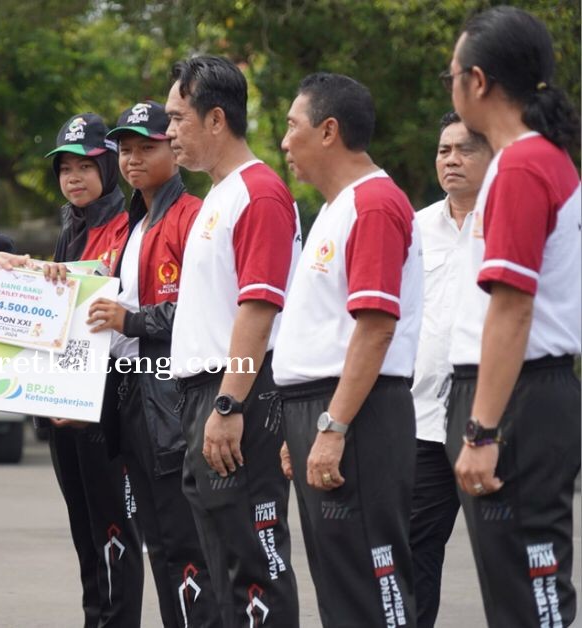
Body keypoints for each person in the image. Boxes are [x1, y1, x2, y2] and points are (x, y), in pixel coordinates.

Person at [445, 7, 581, 626]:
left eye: (452, 74)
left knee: (530, 594)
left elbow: (512, 308)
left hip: (518, 399)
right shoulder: (539, 159)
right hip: (526, 394)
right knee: (521, 592)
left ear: (478, 82)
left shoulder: (523, 166)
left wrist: (481, 433)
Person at [274, 72, 423, 626]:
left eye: (293, 126)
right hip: (324, 409)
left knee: (369, 582)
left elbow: (376, 328)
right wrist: (302, 425)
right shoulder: (338, 206)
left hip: (357, 414)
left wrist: (332, 427)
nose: (286, 141)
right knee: (340, 584)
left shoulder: (375, 204)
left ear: (329, 130)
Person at [165, 55, 301, 628]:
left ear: (215, 119)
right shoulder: (217, 195)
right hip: (203, 397)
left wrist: (228, 403)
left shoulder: (260, 194)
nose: (167, 131)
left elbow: (259, 308)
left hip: (238, 395)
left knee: (253, 565)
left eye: (177, 118)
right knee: (219, 561)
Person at [86, 100, 218, 627]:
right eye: (126, 149)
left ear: (175, 149)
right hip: (132, 398)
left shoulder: (193, 216)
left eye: (147, 146)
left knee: (186, 549)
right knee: (159, 546)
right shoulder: (131, 224)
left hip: (176, 402)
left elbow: (204, 309)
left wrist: (132, 321)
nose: (133, 158)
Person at [45, 112, 144, 627]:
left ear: (107, 165)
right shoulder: (71, 227)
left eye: (86, 165)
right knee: (84, 527)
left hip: (112, 400)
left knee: (115, 530)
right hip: (65, 398)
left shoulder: (130, 225)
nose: (74, 177)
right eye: (65, 167)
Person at [408, 112, 491, 628]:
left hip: (489, 418)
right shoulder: (416, 228)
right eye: (444, 151)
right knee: (414, 555)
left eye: (464, 149)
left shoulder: (512, 224)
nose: (451, 160)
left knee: (507, 553)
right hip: (420, 421)